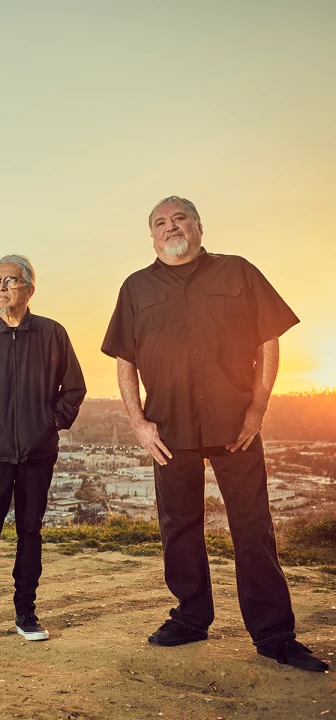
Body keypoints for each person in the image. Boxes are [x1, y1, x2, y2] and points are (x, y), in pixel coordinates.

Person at [101, 196, 327, 672]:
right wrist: (138, 423)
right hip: (168, 427)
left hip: (234, 424)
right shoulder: (136, 287)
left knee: (252, 525)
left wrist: (259, 406)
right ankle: (190, 618)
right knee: (178, 525)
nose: (170, 227)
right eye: (159, 223)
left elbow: (269, 337)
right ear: (151, 236)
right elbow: (125, 357)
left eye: (179, 218)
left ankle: (274, 635)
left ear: (199, 226)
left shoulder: (238, 272)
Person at [0, 255, 86, 644]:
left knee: (29, 531)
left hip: (38, 453)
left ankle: (26, 614)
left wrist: (51, 422)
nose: (1, 287)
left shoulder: (53, 334)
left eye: (10, 280)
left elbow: (74, 389)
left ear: (29, 290)